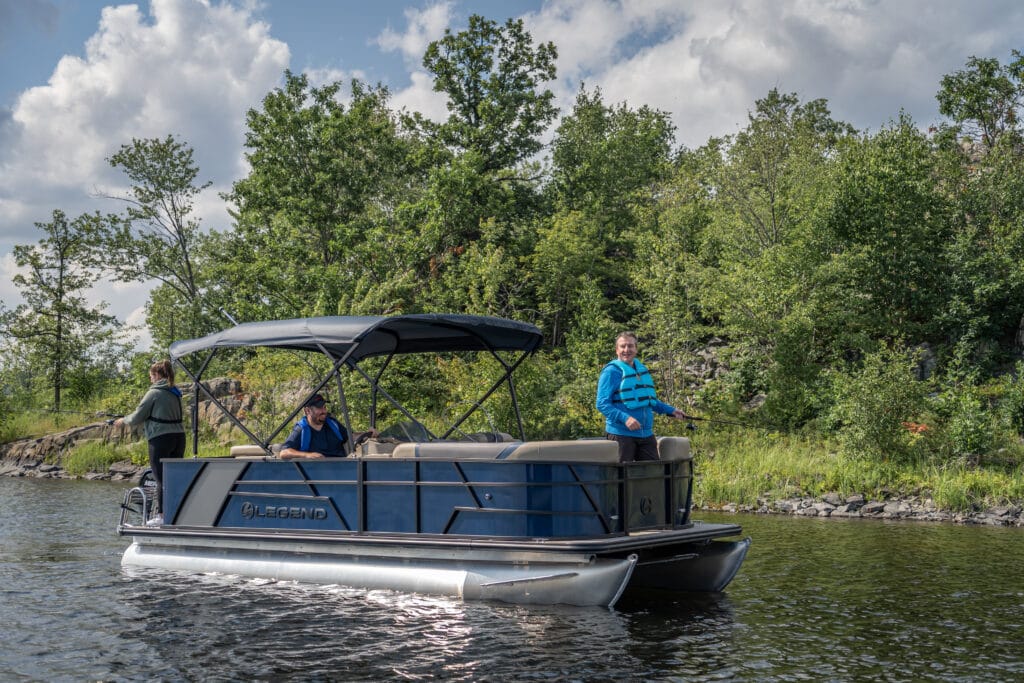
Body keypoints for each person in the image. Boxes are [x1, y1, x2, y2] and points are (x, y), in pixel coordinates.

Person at [596, 331, 690, 462]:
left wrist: (671, 410)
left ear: (636, 349)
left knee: (652, 475)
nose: (626, 350)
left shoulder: (641, 370)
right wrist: (625, 418)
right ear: (617, 350)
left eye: (630, 346)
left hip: (645, 434)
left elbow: (649, 401)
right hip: (621, 435)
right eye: (623, 346)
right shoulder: (611, 372)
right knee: (621, 479)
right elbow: (602, 404)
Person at [114, 360, 185, 523]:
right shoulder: (174, 392)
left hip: (160, 439)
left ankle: (162, 516)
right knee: (173, 477)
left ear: (158, 375)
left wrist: (123, 420)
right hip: (179, 438)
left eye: (151, 376)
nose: (150, 380)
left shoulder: (153, 393)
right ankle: (176, 513)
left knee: (161, 478)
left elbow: (138, 416)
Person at [279, 394, 378, 459]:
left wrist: (368, 434)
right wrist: (307, 455)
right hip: (320, 474)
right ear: (307, 411)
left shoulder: (332, 423)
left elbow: (351, 436)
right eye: (319, 408)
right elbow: (284, 452)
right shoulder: (301, 429)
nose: (324, 411)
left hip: (342, 468)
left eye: (324, 407)